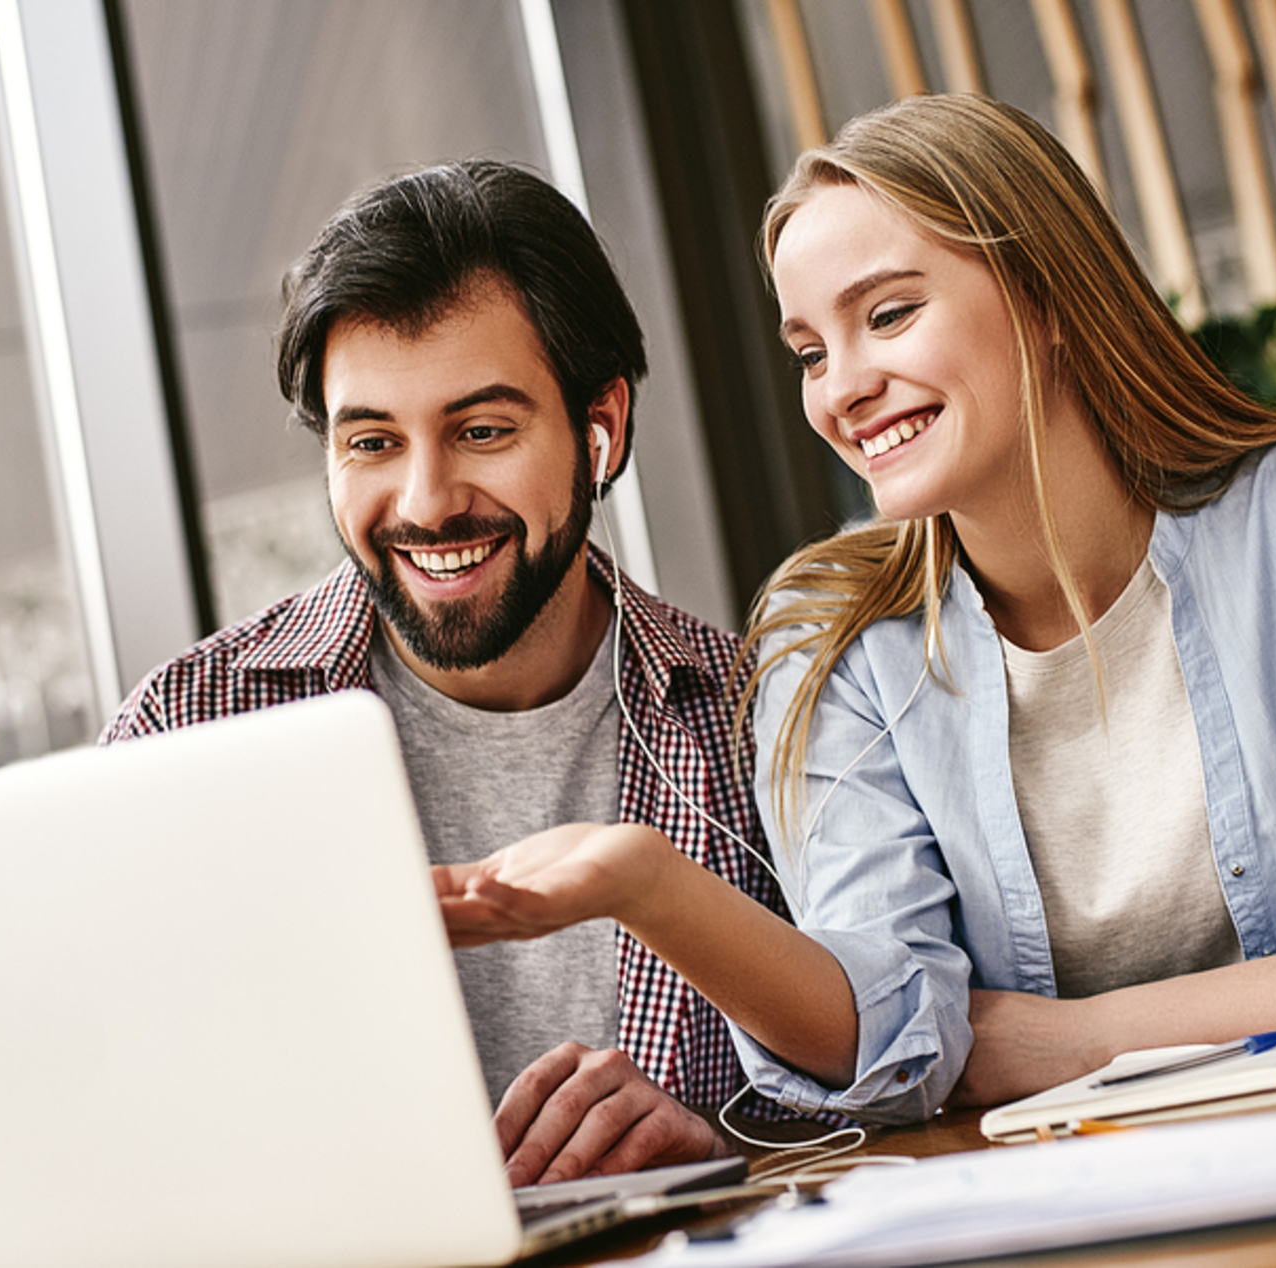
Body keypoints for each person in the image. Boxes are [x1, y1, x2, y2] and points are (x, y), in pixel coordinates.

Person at [436, 94, 1276, 1124]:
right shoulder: (835, 644)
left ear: (1045, 298)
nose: (839, 389)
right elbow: (898, 1050)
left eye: (886, 315)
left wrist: (1067, 1039)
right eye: (808, 351)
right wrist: (642, 880)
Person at [101, 160, 788, 1178]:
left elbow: (887, 1094)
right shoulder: (188, 727)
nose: (425, 501)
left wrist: (728, 1154)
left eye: (482, 430)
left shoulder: (761, 724)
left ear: (601, 427)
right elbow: (121, 1123)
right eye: (372, 441)